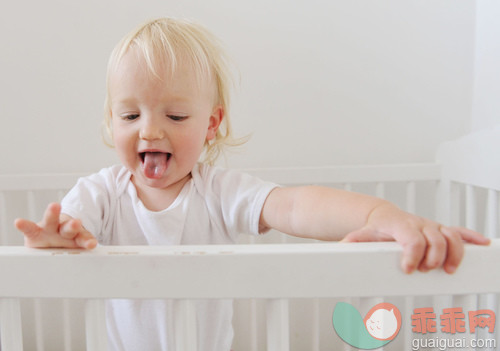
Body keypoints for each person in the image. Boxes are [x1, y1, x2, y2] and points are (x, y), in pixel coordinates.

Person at [14, 17, 489, 350]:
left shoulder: (219, 192)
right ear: (111, 121)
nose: (149, 130)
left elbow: (295, 206)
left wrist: (379, 216)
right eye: (130, 114)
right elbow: (72, 223)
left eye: (175, 115)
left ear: (211, 124)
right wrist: (59, 239)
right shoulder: (102, 193)